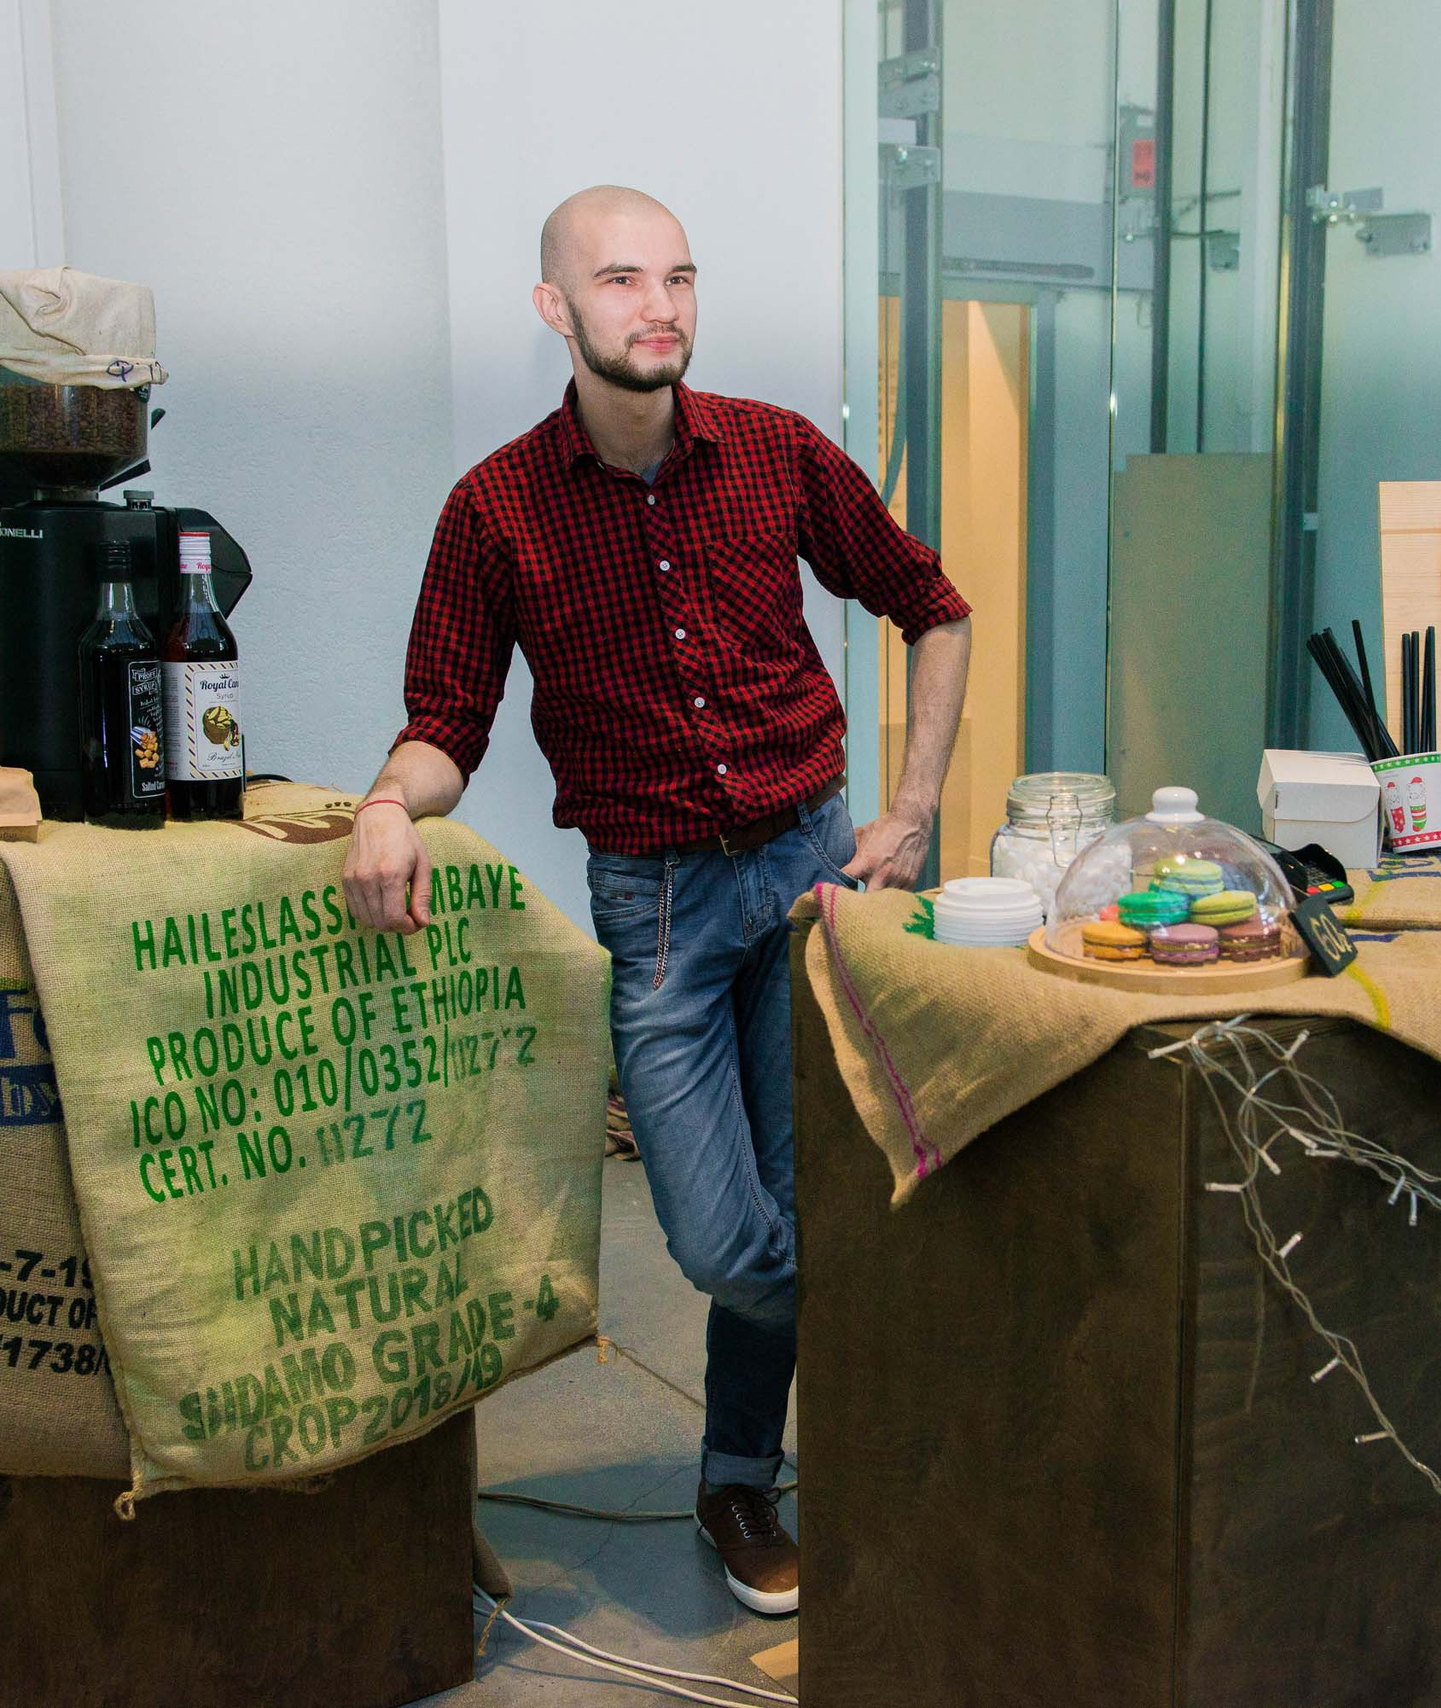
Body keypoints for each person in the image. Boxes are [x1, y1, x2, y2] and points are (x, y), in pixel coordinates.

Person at [343, 185, 973, 1615]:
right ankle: (870, 1387)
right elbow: (446, 722)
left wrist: (914, 811)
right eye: (622, 280)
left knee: (807, 1195)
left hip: (811, 877)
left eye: (679, 277)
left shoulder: (777, 452)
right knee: (726, 1240)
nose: (660, 306)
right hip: (662, 911)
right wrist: (384, 804)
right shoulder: (495, 508)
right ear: (555, 309)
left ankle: (738, 1478)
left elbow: (933, 605)